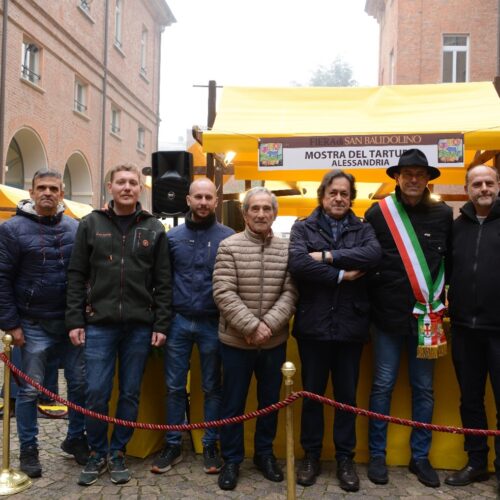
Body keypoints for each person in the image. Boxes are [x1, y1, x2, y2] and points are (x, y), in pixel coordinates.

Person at [66, 164, 171, 486]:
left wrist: (161, 323)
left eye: (133, 183)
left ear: (140, 189)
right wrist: (74, 319)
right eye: (121, 182)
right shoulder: (90, 224)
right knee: (95, 392)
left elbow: (164, 281)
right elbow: (76, 275)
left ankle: (118, 452)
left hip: (140, 326)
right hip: (99, 324)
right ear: (109, 186)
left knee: (129, 393)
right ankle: (97, 452)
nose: (127, 187)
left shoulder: (154, 229)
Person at [288, 170, 382, 492]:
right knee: (312, 396)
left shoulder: (364, 228)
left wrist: (328, 257)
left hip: (350, 327)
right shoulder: (303, 227)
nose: (339, 198)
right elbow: (299, 264)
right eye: (333, 192)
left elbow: (372, 256)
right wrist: (341, 275)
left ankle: (345, 459)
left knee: (346, 398)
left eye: (344, 193)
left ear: (351, 197)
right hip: (313, 326)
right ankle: (310, 456)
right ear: (322, 195)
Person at [365, 148, 453, 487]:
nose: (413, 179)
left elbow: (452, 263)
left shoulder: (443, 214)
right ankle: (376, 455)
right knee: (382, 387)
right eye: (407, 173)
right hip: (385, 319)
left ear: (428, 178)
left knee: (424, 389)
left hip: (426, 322)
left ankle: (421, 457)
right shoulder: (378, 213)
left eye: (420, 173)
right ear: (397, 178)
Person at [0, 168, 87, 478]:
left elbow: (83, 276)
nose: (48, 192)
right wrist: (11, 324)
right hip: (31, 323)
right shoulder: (11, 230)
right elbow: (2, 278)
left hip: (70, 323)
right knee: (28, 391)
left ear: (62, 193)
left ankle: (76, 439)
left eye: (53, 188)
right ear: (32, 191)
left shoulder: (75, 228)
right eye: (42, 187)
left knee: (78, 386)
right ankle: (28, 449)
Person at [212, 187, 297, 491]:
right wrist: (250, 327)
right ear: (245, 213)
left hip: (273, 342)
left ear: (274, 213)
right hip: (236, 342)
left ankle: (264, 454)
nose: (261, 214)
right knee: (233, 403)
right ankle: (232, 459)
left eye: (267, 209)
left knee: (270, 402)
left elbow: (291, 292)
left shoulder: (288, 249)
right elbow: (223, 292)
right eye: (255, 209)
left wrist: (268, 326)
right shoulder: (229, 246)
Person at [151, 178, 234, 475]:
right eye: (197, 197)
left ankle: (211, 442)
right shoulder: (171, 237)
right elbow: (161, 282)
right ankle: (173, 442)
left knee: (212, 386)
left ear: (216, 200)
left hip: (214, 321)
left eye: (207, 197)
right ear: (187, 199)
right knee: (174, 386)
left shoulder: (229, 237)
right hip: (178, 321)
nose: (202, 202)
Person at [445, 165, 500, 489]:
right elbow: (449, 273)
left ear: (497, 185)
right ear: (467, 188)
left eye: (488, 182)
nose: (483, 188)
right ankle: (476, 462)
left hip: (499, 330)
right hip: (465, 328)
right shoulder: (457, 227)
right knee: (470, 400)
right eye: (476, 183)